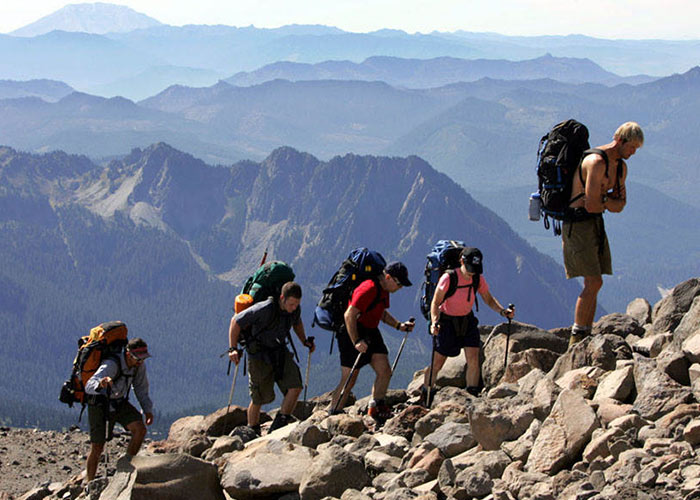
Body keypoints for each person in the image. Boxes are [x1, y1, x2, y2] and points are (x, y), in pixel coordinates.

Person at [564, 121, 644, 346]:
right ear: (620, 140)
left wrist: (604, 200)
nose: (633, 152)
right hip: (578, 224)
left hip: (595, 224)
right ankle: (577, 336)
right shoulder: (596, 162)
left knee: (595, 282)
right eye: (631, 147)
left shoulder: (620, 168)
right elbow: (592, 204)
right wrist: (607, 201)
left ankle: (585, 333)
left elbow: (619, 205)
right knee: (593, 281)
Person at [421, 247, 514, 401]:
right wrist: (434, 322)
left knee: (473, 359)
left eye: (475, 269)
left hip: (467, 321)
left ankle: (472, 395)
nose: (472, 272)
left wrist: (503, 311)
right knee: (438, 363)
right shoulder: (448, 278)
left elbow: (488, 299)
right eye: (470, 268)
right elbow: (435, 302)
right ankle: (426, 393)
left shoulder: (477, 278)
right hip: (447, 322)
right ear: (462, 261)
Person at [328, 261, 415, 421]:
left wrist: (399, 326)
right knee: (350, 378)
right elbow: (349, 315)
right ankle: (334, 412)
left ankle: (376, 407)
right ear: (388, 277)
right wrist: (356, 341)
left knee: (385, 371)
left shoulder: (384, 290)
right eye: (399, 283)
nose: (400, 287)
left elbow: (381, 312)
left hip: (371, 330)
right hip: (351, 331)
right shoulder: (368, 288)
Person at [227, 281, 315, 434]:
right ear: (282, 298)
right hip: (258, 354)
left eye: (297, 304)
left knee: (295, 385)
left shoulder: (294, 310)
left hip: (279, 351)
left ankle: (281, 422)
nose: (294, 308)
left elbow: (297, 323)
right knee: (259, 397)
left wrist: (304, 341)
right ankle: (252, 429)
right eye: (291, 304)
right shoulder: (265, 308)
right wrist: (233, 349)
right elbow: (236, 321)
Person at [84, 337, 154, 482]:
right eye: (138, 358)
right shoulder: (111, 364)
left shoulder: (138, 366)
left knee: (140, 430)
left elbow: (141, 389)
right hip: (99, 404)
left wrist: (147, 410)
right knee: (97, 447)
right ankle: (90, 483)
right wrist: (101, 383)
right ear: (128, 354)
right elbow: (89, 386)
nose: (141, 362)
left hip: (119, 402)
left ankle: (126, 468)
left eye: (143, 358)